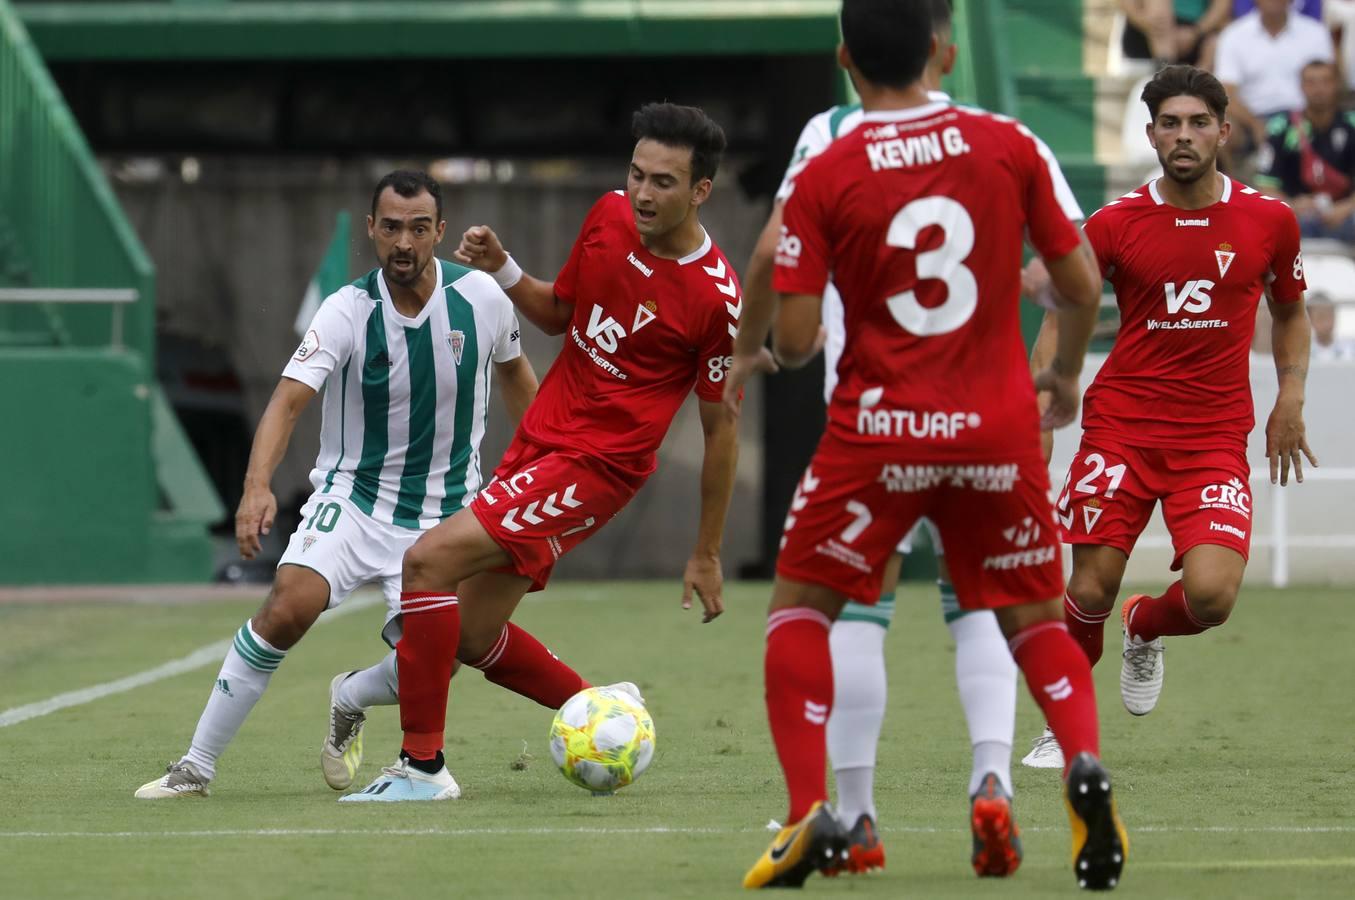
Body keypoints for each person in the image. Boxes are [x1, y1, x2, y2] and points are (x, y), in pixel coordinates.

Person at [733, 0, 1126, 889]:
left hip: (874, 430)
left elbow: (794, 337)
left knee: (808, 609)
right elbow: (1078, 283)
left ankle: (814, 814)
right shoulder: (1007, 142)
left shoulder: (828, 164)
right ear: (942, 50)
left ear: (842, 57)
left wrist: (771, 347)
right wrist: (1060, 376)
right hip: (992, 428)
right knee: (1022, 610)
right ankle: (1075, 766)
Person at [342, 103, 743, 802]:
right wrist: (504, 269)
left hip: (594, 469)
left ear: (700, 190)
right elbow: (561, 312)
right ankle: (601, 704)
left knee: (427, 562)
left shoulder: (715, 299)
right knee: (469, 635)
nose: (644, 194)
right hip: (540, 443)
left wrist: (706, 551)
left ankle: (422, 768)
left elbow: (722, 431)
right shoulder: (609, 216)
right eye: (637, 175)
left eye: (665, 183)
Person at [135, 170, 540, 799]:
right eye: (391, 228)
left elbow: (517, 379)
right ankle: (195, 766)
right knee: (287, 606)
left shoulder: (484, 298)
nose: (403, 242)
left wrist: (544, 463)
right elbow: (289, 401)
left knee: (438, 661)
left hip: (448, 513)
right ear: (373, 230)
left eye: (418, 227)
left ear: (440, 229)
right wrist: (256, 486)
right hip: (354, 500)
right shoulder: (349, 309)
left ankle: (351, 693)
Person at [1022, 65, 1317, 770]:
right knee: (1087, 585)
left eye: (1195, 123)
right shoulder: (1115, 224)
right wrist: (1042, 406)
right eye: (1168, 124)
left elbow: (1290, 312)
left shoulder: (1268, 219)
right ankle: (1061, 729)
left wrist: (1291, 397)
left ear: (1221, 129)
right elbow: (1060, 315)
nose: (1182, 136)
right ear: (1150, 133)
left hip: (1212, 436)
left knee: (1212, 597)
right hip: (1121, 427)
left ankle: (1144, 627)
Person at [1214, 0, 1334, 157]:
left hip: (1306, 117)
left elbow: (1328, 83)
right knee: (1223, 132)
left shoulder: (1316, 32)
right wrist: (1255, 124)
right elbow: (1226, 92)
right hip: (1253, 119)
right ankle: (1226, 182)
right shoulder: (1233, 35)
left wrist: (1304, 121)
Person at [1255, 60, 1355, 239]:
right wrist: (1292, 204)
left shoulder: (1352, 125)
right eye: (1311, 82)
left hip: (1346, 214)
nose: (1319, 89)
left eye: (1326, 81)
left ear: (1337, 85)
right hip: (1298, 214)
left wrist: (1346, 208)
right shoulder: (1281, 127)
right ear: (1301, 86)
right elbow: (1265, 185)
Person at [1120, 0, 1233, 67]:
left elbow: (1221, 7)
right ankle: (1166, 70)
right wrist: (1144, 22)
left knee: (1219, 35)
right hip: (1147, 32)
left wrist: (1195, 32)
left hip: (1196, 32)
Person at [1308, 292, 1355, 359]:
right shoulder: (1302, 352)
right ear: (1310, 319)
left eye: (1330, 316)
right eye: (1321, 317)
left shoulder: (1351, 348)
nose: (1327, 323)